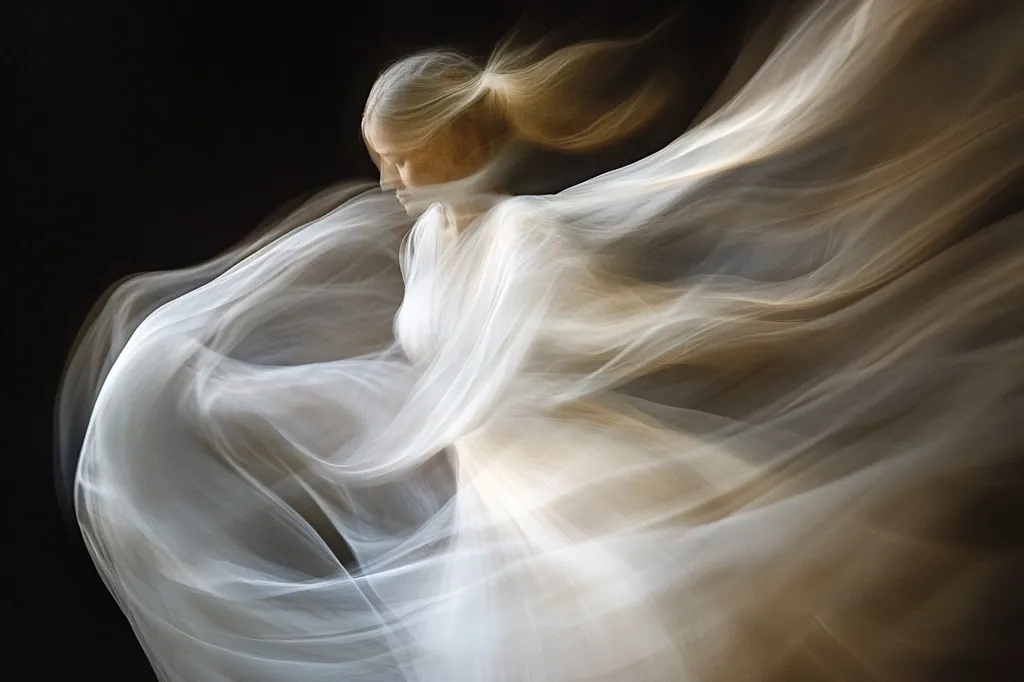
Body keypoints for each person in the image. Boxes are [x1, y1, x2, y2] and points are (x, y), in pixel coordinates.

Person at [58, 0, 1024, 680]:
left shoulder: (525, 239)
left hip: (566, 496)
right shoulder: (430, 243)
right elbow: (426, 373)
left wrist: (319, 422)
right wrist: (252, 396)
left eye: (400, 159)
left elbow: (481, 380)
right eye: (379, 164)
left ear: (454, 146)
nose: (390, 183)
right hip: (496, 514)